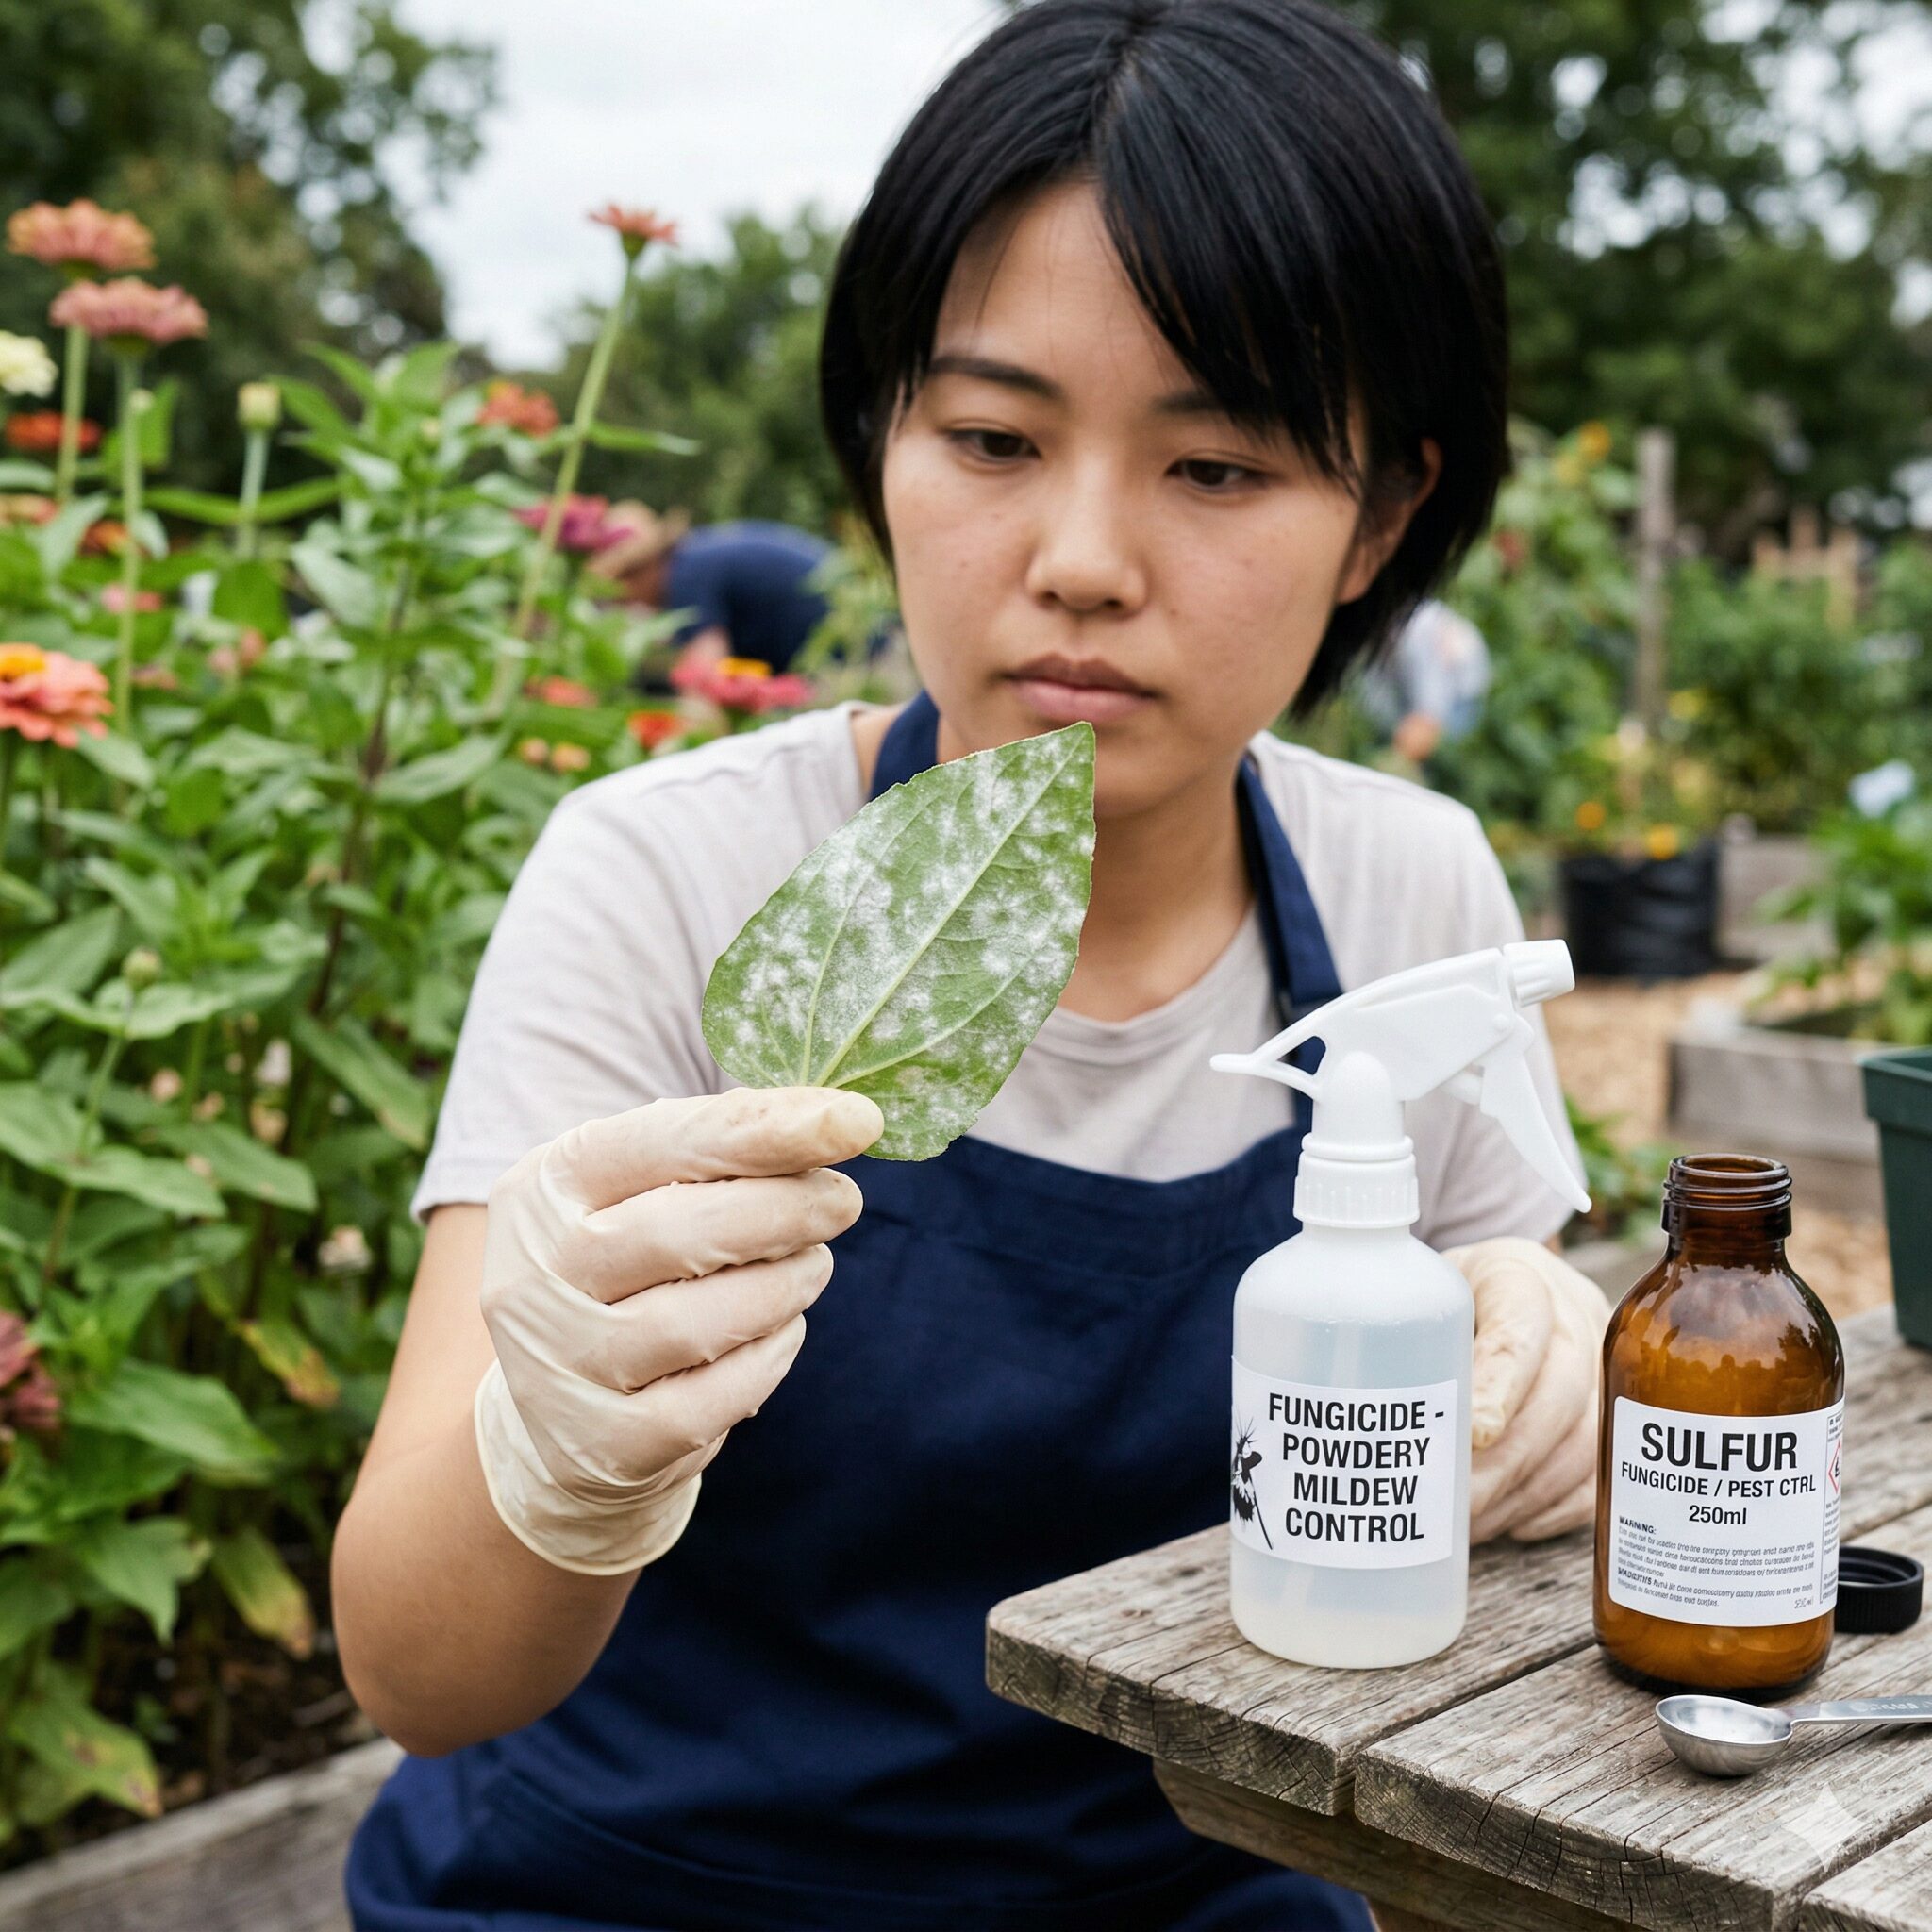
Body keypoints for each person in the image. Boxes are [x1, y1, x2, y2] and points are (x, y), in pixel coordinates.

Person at [335, 4, 1607, 1926]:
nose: (1082, 557)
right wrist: (558, 1440)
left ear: (1385, 518)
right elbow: (415, 1673)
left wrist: (1557, 1378)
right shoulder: (668, 874)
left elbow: (1523, 1479)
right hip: (629, 1888)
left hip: (1204, 1888)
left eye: (1222, 466)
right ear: (884, 445)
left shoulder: (1403, 881)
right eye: (995, 437)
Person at [596, 505, 835, 675]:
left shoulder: (684, 579)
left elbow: (706, 675)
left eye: (615, 590)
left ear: (642, 571)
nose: (619, 602)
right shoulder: (693, 557)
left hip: (844, 648)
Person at [1358, 596, 1493, 764]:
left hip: (1460, 694)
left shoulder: (1417, 638)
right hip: (1410, 677)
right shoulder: (1387, 621)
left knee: (1430, 751)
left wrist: (1397, 760)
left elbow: (1428, 715)